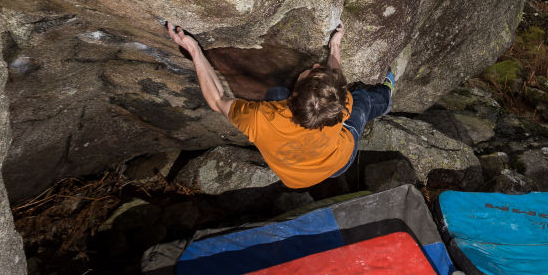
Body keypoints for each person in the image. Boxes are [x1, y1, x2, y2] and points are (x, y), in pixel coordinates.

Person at [166, 21, 395, 189]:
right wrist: (335, 47)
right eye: (316, 70)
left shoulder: (261, 119)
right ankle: (384, 97)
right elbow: (335, 79)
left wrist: (195, 50)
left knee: (275, 92)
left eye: (313, 71)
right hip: (338, 163)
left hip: (295, 178)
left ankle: (385, 96)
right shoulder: (341, 104)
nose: (315, 64)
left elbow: (217, 100)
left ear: (294, 95)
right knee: (363, 102)